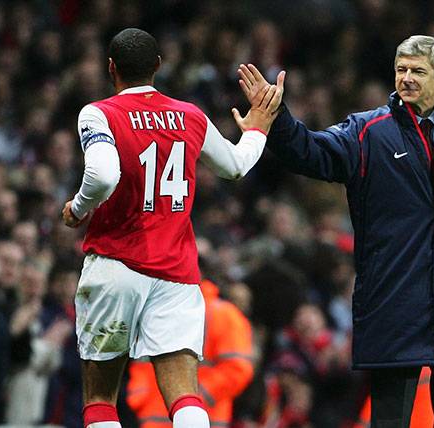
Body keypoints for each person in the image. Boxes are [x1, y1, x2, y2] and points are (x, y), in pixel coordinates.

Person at [237, 35, 434, 427]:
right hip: (393, 305)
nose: (407, 78)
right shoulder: (369, 131)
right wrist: (279, 118)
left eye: (418, 71)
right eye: (401, 69)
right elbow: (312, 153)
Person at [60, 28, 284, 428]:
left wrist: (78, 209)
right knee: (184, 395)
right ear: (158, 66)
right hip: (177, 276)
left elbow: (102, 174)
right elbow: (235, 166)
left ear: (111, 68)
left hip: (115, 265)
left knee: (100, 398)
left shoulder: (99, 113)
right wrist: (258, 129)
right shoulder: (190, 115)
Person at [126, 279, 254, 428]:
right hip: (158, 418)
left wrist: (198, 397)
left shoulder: (223, 314)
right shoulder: (159, 308)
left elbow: (238, 369)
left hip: (200, 417)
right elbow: (142, 361)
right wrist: (138, 396)